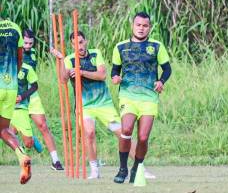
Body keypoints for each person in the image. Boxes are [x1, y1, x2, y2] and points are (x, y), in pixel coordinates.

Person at [51, 31, 155, 179]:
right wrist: (61, 59)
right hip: (84, 105)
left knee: (123, 135)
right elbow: (63, 80)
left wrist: (81, 72)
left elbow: (102, 75)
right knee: (89, 133)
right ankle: (95, 170)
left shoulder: (95, 54)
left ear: (86, 41)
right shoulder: (69, 59)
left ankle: (140, 168)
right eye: (74, 44)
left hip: (104, 103)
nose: (78, 46)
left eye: (81, 42)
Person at [112, 12, 172, 183]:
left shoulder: (156, 46)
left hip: (149, 98)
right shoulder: (121, 47)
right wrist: (115, 78)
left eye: (145, 25)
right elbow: (115, 70)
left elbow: (167, 69)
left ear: (149, 27)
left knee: (143, 137)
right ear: (132, 26)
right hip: (128, 96)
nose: (141, 28)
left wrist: (161, 81)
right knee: (126, 130)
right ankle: (122, 169)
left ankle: (136, 168)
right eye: (138, 25)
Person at [22, 29, 63, 170]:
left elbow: (32, 82)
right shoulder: (12, 53)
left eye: (30, 43)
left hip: (30, 95)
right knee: (17, 135)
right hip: (15, 98)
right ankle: (30, 138)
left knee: (43, 126)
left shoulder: (32, 54)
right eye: (25, 43)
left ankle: (56, 161)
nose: (28, 46)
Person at [0, 18, 31, 184]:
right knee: (3, 128)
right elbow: (20, 59)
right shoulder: (14, 27)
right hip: (11, 87)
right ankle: (21, 156)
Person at [10, 62, 38, 151]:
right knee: (8, 135)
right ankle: (22, 156)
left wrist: (22, 97)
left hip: (20, 107)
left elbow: (35, 86)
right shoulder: (3, 67)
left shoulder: (27, 68)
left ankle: (32, 139)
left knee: (28, 144)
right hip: (6, 107)